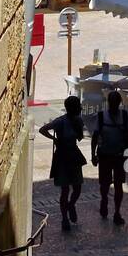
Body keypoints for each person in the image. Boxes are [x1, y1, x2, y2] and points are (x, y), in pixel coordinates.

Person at [40, 96, 86, 231]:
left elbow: (80, 137)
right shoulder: (60, 122)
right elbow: (43, 129)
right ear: (73, 108)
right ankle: (64, 218)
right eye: (78, 106)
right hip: (63, 157)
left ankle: (71, 205)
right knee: (65, 190)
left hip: (72, 155)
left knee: (77, 187)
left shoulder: (78, 121)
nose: (80, 108)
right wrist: (54, 138)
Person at [91, 89, 128, 225]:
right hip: (107, 155)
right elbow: (95, 136)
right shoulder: (104, 116)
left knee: (117, 184)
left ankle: (116, 211)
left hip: (117, 156)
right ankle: (106, 202)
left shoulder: (123, 116)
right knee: (106, 184)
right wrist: (93, 155)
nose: (114, 105)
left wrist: (93, 155)